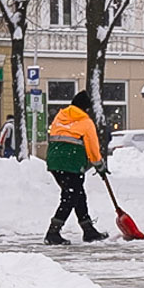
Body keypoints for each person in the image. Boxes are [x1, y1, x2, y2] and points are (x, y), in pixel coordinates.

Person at [43, 90, 110, 245]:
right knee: (70, 197)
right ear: (86, 108)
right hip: (71, 162)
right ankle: (52, 233)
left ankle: (88, 230)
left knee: (77, 194)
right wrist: (100, 166)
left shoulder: (60, 117)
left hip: (54, 161)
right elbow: (93, 148)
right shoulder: (86, 122)